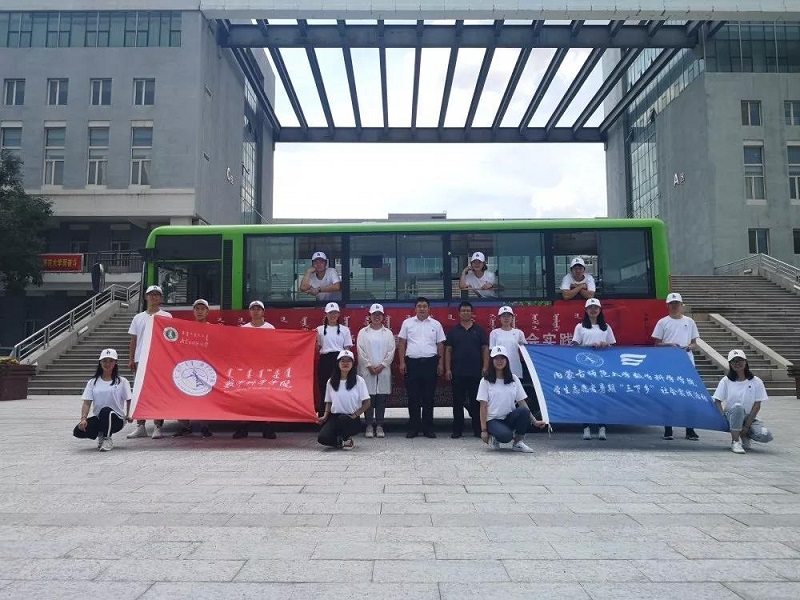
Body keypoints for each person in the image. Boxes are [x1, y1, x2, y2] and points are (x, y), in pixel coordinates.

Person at [478, 345, 547, 452]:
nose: (499, 361)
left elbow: (522, 402)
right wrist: (484, 430)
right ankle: (495, 437)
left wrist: (534, 421)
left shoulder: (513, 379)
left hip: (509, 417)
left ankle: (518, 442)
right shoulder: (485, 380)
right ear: (492, 361)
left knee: (523, 411)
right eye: (496, 358)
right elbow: (483, 406)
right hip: (493, 420)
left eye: (502, 358)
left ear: (507, 360)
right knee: (506, 436)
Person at [652, 292, 701, 441]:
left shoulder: (689, 322)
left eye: (677, 304)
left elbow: (695, 343)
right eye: (672, 304)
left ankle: (690, 429)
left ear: (681, 305)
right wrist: (669, 345)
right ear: (667, 306)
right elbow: (657, 344)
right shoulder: (662, 322)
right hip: (668, 363)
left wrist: (688, 347)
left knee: (688, 396)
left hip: (686, 362)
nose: (674, 306)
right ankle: (668, 429)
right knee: (668, 395)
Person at [126, 285, 172, 440]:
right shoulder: (138, 317)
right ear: (146, 297)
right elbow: (133, 340)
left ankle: (158, 427)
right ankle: (140, 426)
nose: (154, 297)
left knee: (158, 392)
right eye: (151, 294)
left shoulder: (167, 316)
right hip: (141, 359)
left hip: (159, 360)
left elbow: (170, 338)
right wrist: (131, 358)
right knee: (140, 392)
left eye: (157, 295)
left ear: (161, 298)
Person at [398, 297, 446, 438]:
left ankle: (428, 428)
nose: (422, 308)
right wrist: (402, 362)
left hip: (430, 363)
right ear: (415, 308)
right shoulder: (407, 323)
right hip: (412, 364)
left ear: (429, 309)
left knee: (428, 397)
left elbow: (440, 345)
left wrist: (441, 363)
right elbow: (402, 343)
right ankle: (413, 428)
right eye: (419, 306)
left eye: (425, 306)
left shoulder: (436, 324)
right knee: (413, 397)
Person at [713, 349, 774, 454]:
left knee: (765, 435)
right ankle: (735, 441)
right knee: (738, 408)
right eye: (734, 361)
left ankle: (744, 435)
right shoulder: (726, 381)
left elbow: (757, 405)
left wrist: (746, 426)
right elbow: (717, 400)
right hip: (732, 415)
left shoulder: (756, 381)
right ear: (730, 364)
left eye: (740, 360)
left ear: (746, 362)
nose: (737, 363)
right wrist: (722, 416)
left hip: (749, 417)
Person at [233, 300, 278, 440]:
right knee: (245, 397)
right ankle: (243, 426)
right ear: (249, 312)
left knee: (266, 397)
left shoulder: (270, 328)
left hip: (265, 367)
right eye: (253, 309)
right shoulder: (243, 328)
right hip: (248, 367)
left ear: (263, 312)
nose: (256, 311)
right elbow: (239, 348)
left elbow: (275, 347)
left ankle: (267, 426)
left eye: (259, 309)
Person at [572, 298, 616, 441]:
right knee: (585, 397)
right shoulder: (580, 327)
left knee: (602, 397)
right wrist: (589, 346)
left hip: (602, 368)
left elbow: (612, 346)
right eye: (590, 307)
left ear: (600, 310)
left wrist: (605, 345)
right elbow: (574, 345)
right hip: (585, 367)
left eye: (595, 307)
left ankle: (602, 427)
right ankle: (586, 428)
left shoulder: (606, 327)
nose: (593, 310)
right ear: (586, 310)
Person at [445, 301, 489, 438]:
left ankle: (478, 429)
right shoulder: (453, 331)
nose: (465, 313)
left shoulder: (479, 330)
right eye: (463, 311)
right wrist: (448, 369)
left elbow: (485, 349)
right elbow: (448, 350)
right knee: (457, 403)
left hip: (476, 372)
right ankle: (457, 430)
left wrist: (485, 366)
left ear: (472, 313)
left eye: (468, 311)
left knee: (476, 402)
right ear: (459, 313)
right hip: (457, 372)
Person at [74, 349, 132, 452]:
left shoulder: (122, 381)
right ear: (100, 362)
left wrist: (129, 414)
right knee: (78, 431)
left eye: (111, 361)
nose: (107, 364)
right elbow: (87, 402)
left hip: (117, 419)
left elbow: (129, 399)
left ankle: (107, 438)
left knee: (106, 411)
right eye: (104, 360)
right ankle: (101, 432)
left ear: (115, 362)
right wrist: (83, 419)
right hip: (100, 418)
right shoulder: (92, 382)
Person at [173, 299, 214, 438]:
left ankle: (205, 427)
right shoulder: (186, 328)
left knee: (205, 399)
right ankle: (185, 426)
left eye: (203, 309)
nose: (200, 311)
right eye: (197, 309)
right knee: (183, 397)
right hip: (188, 367)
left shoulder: (213, 329)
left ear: (207, 312)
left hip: (206, 368)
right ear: (193, 311)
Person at [317, 350, 371, 450]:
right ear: (338, 363)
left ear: (352, 364)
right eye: (342, 361)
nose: (345, 363)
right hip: (335, 417)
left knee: (344, 419)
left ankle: (347, 438)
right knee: (323, 438)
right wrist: (325, 416)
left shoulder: (359, 380)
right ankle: (340, 440)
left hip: (351, 417)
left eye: (348, 361)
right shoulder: (331, 381)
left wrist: (355, 415)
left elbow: (367, 402)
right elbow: (328, 401)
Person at [356, 303, 395, 438]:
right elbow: (360, 350)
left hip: (383, 371)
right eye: (374, 314)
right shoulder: (363, 332)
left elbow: (391, 351)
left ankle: (379, 425)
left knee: (381, 399)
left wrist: (382, 366)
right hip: (367, 371)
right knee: (368, 398)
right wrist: (368, 366)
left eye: (379, 314)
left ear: (383, 316)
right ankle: (368, 425)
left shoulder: (388, 333)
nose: (377, 317)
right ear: (370, 316)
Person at [315, 302, 353, 416]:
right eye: (330, 313)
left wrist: (347, 363)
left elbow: (347, 349)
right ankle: (324, 416)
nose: (333, 315)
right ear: (326, 314)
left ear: (339, 314)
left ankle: (339, 415)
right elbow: (317, 349)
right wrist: (314, 339)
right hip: (325, 360)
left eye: (335, 313)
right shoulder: (319, 330)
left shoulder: (345, 330)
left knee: (339, 387)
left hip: (340, 360)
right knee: (324, 387)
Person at [489, 306, 526, 379]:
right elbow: (492, 352)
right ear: (499, 318)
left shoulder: (519, 333)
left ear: (512, 318)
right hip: (499, 368)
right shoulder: (494, 333)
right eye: (503, 316)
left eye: (508, 316)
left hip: (515, 367)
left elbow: (525, 351)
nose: (506, 318)